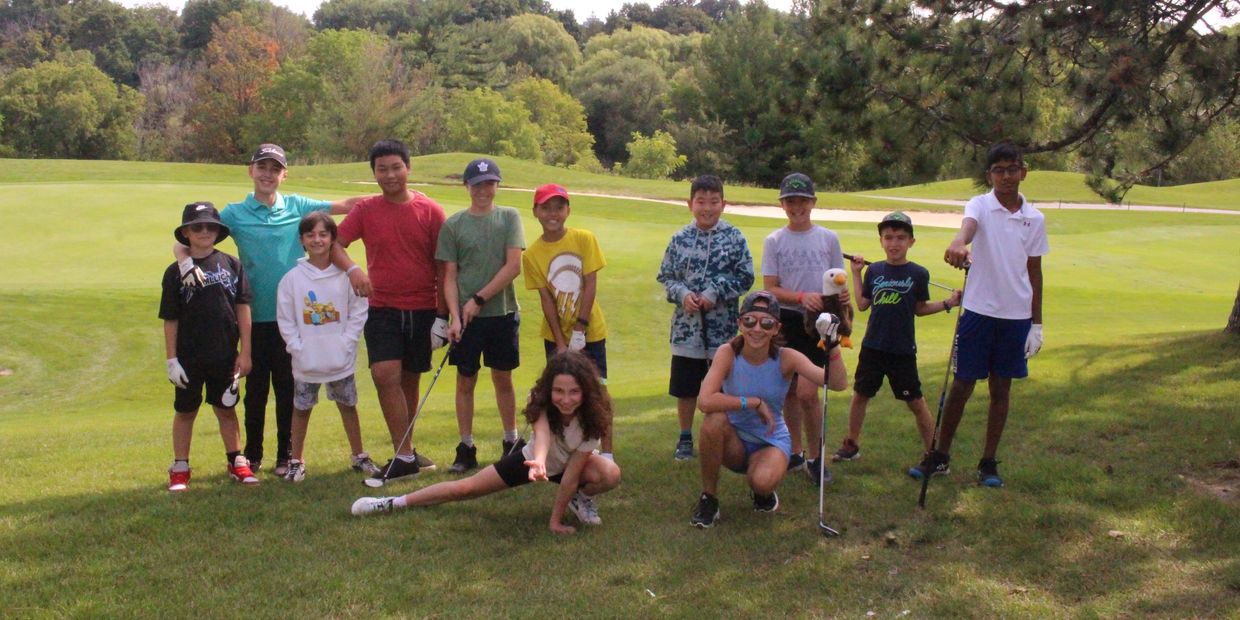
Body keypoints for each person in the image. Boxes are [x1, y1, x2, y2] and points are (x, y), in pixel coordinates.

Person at [175, 143, 369, 477]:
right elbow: (190, 237)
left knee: (288, 391)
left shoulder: (298, 204)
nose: (268, 174)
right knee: (255, 393)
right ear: (251, 171)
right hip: (253, 317)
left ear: (284, 174)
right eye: (262, 167)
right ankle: (251, 455)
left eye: (274, 169)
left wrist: (394, 197)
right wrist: (184, 264)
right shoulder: (234, 213)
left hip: (295, 321)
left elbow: (350, 205)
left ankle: (286, 455)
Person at [351, 351, 622, 534]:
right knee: (464, 489)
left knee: (610, 473)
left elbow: (571, 475)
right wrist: (538, 462)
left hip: (567, 467)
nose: (566, 399)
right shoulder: (540, 401)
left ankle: (580, 499)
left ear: (585, 391)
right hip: (532, 460)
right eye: (559, 391)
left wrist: (555, 522)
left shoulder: (592, 419)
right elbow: (542, 436)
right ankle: (393, 502)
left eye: (574, 392)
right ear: (549, 389)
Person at [930, 142, 1049, 487]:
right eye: (999, 170)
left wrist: (1036, 324)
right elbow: (966, 230)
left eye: (1012, 169)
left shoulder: (1034, 218)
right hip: (979, 311)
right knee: (962, 384)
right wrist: (957, 244)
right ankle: (940, 456)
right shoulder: (979, 204)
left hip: (1015, 316)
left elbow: (1035, 272)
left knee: (1001, 388)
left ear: (1023, 172)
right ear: (989, 176)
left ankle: (988, 462)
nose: (1007, 176)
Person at [337, 139, 449, 483]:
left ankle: (408, 452)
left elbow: (444, 266)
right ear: (374, 173)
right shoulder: (366, 210)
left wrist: (443, 317)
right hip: (382, 307)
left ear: (408, 168)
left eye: (396, 167)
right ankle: (403, 455)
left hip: (423, 308)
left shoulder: (430, 211)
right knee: (385, 374)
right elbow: (337, 245)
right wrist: (354, 270)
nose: (389, 175)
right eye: (382, 169)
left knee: (410, 380)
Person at [690, 291, 847, 528]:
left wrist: (832, 344)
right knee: (713, 420)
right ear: (739, 323)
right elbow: (705, 401)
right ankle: (709, 498)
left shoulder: (787, 358)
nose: (757, 329)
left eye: (766, 323)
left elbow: (836, 383)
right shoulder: (728, 352)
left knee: (761, 482)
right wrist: (753, 402)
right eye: (750, 321)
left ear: (776, 328)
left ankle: (763, 491)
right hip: (734, 441)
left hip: (771, 440)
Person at [832, 212, 962, 476]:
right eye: (888, 237)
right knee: (860, 396)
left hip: (901, 349)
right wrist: (856, 273)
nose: (894, 243)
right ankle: (852, 444)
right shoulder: (875, 270)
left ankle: (934, 456)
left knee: (915, 401)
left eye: (901, 238)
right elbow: (862, 304)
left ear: (911, 241)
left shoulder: (918, 273)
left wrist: (948, 303)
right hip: (873, 346)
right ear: (881, 241)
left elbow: (920, 308)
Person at [656, 175, 754, 462]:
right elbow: (667, 278)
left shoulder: (734, 238)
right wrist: (683, 293)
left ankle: (724, 435)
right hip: (687, 331)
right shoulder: (679, 239)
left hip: (723, 331)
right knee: (686, 388)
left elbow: (745, 276)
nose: (707, 208)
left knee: (723, 387)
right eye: (701, 201)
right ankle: (685, 437)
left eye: (713, 202)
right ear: (690, 204)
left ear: (724, 204)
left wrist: (716, 291)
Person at [437, 158, 526, 473]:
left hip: (501, 313)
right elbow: (449, 275)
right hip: (466, 319)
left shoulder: (509, 218)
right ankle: (466, 446)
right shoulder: (454, 225)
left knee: (503, 377)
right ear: (467, 186)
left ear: (497, 185)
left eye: (489, 183)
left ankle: (511, 441)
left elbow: (513, 266)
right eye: (477, 184)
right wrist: (456, 317)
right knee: (465, 380)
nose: (483, 189)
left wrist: (479, 299)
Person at [760, 172, 850, 485]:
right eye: (790, 201)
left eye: (802, 200)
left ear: (812, 202)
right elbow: (770, 287)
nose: (796, 206)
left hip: (820, 323)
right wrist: (801, 296)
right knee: (789, 393)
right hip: (788, 319)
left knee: (809, 392)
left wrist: (842, 296)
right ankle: (795, 451)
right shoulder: (774, 241)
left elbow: (837, 280)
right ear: (783, 204)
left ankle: (815, 456)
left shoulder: (828, 238)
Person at [160, 202, 255, 491]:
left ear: (218, 231)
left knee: (226, 408)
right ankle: (180, 466)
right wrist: (171, 359)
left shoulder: (231, 264)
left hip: (225, 353)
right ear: (186, 232)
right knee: (186, 410)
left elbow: (242, 309)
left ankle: (236, 460)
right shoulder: (175, 271)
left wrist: (246, 352)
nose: (204, 231)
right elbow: (170, 319)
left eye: (210, 226)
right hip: (189, 356)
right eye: (197, 226)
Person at [275, 212, 374, 482]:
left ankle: (359, 455)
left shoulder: (345, 277)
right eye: (310, 235)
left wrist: (347, 343)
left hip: (339, 359)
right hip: (306, 361)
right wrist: (298, 348)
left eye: (323, 234)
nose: (317, 240)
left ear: (332, 239)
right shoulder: (293, 279)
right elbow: (286, 319)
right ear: (302, 241)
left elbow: (358, 310)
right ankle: (296, 460)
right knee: (302, 408)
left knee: (348, 405)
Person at [521, 183, 614, 459]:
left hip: (591, 330)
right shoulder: (532, 254)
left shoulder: (584, 239)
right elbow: (546, 300)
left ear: (568, 210)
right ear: (535, 212)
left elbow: (590, 283)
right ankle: (561, 454)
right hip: (554, 335)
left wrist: (580, 328)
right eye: (546, 207)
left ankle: (606, 453)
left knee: (599, 392)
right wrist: (561, 342)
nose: (553, 213)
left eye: (559, 207)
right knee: (560, 396)